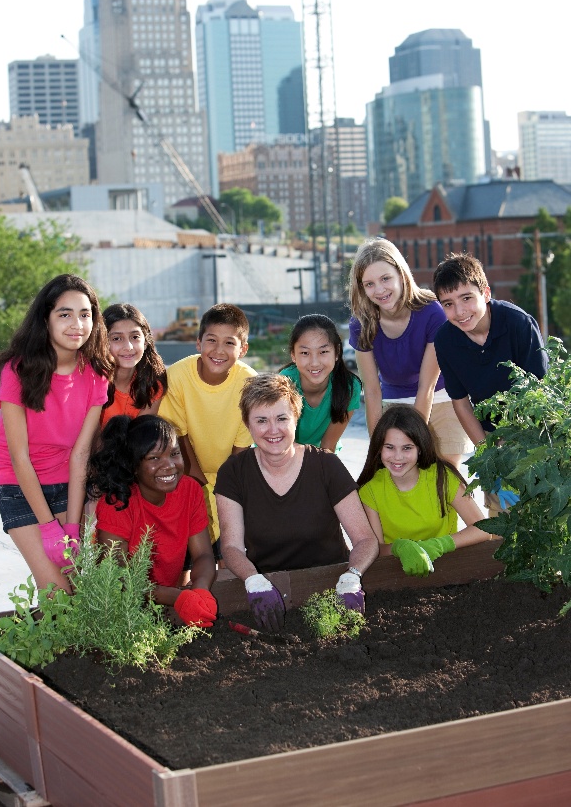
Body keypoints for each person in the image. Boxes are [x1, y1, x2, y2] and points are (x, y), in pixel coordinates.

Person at [215, 374, 379, 631]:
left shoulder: (327, 466)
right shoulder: (233, 472)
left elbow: (365, 539)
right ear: (247, 424)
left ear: (295, 419)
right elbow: (232, 546)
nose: (273, 430)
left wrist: (352, 576)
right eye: (261, 420)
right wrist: (253, 581)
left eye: (281, 418)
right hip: (270, 590)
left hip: (331, 586)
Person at [0, 274, 113, 594]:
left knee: (75, 582)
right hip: (17, 483)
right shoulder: (18, 369)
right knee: (58, 591)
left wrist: (71, 526)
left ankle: (62, 646)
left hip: (65, 483)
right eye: (64, 314)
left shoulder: (98, 373)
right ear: (45, 319)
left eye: (85, 314)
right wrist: (48, 528)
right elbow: (19, 457)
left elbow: (81, 455)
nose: (77, 324)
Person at [433, 253, 548, 514]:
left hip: (535, 436)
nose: (460, 312)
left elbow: (541, 395)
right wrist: (489, 458)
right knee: (503, 526)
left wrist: (522, 447)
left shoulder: (519, 324)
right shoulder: (445, 341)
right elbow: (461, 403)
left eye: (466, 298)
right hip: (490, 437)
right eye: (448, 304)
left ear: (485, 293)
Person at [348, 237, 470, 468]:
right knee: (402, 481)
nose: (380, 290)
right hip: (394, 402)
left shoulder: (432, 312)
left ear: (401, 275)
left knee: (443, 478)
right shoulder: (361, 324)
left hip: (442, 399)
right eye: (369, 284)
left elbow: (427, 386)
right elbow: (373, 392)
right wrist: (378, 450)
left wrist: (415, 441)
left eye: (385, 279)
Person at [88, 415, 217, 627]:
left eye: (174, 454)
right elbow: (117, 578)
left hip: (165, 604)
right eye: (154, 458)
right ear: (133, 465)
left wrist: (201, 590)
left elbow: (203, 554)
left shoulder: (190, 490)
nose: (169, 466)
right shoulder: (117, 502)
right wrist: (178, 598)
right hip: (120, 615)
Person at [158, 303, 257, 557]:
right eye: (211, 340)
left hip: (230, 473)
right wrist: (200, 487)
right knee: (186, 550)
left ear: (243, 349)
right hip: (187, 472)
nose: (219, 350)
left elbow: (240, 453)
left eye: (229, 343)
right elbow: (178, 439)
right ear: (198, 342)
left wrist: (224, 490)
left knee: (230, 549)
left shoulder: (249, 384)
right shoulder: (178, 376)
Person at [358, 405, 490, 576]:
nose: (397, 457)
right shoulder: (369, 491)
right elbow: (375, 549)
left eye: (407, 448)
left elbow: (484, 528)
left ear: (420, 448)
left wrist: (438, 545)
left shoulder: (442, 477)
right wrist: (399, 548)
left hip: (447, 568)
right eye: (389, 447)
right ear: (379, 448)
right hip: (396, 574)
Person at [279, 314, 361, 451]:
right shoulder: (283, 384)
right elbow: (278, 444)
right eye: (305, 353)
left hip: (320, 456)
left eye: (323, 351)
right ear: (293, 355)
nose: (315, 363)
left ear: (336, 352)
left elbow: (328, 446)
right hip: (280, 453)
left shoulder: (349, 387)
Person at [100, 303, 167, 427]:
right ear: (102, 343)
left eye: (135, 337)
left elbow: (140, 439)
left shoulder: (152, 385)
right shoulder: (92, 381)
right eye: (116, 338)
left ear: (146, 342)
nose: (128, 347)